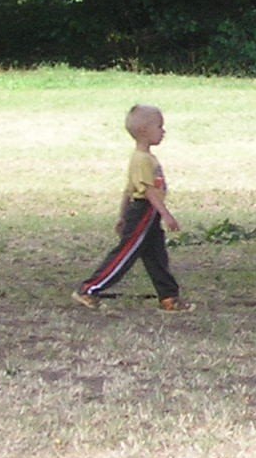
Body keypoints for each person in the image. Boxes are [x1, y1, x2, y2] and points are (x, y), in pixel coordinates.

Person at [72, 103, 189, 311]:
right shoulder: (142, 160)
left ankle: (169, 296)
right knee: (125, 254)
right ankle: (89, 289)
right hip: (144, 211)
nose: (163, 132)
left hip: (148, 214)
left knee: (156, 255)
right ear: (144, 131)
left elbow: (128, 189)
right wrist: (166, 214)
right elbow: (148, 192)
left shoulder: (144, 158)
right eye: (159, 127)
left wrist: (122, 215)